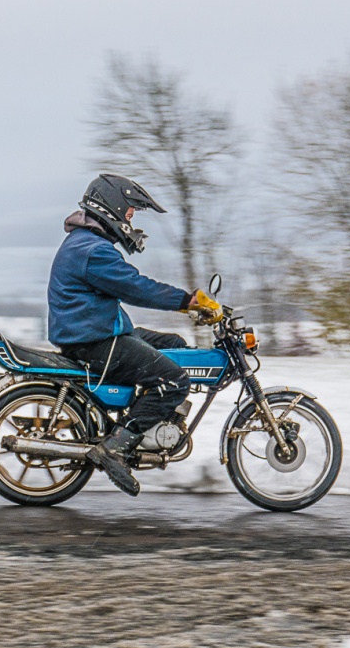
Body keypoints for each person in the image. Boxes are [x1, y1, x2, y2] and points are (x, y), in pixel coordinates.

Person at [47, 173, 221, 497]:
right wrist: (187, 301)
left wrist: (188, 306)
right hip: (93, 340)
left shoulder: (88, 243)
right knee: (175, 380)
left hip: (96, 330)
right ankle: (115, 446)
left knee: (175, 346)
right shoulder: (92, 250)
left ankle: (150, 422)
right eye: (130, 213)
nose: (131, 222)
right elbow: (136, 287)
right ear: (112, 207)